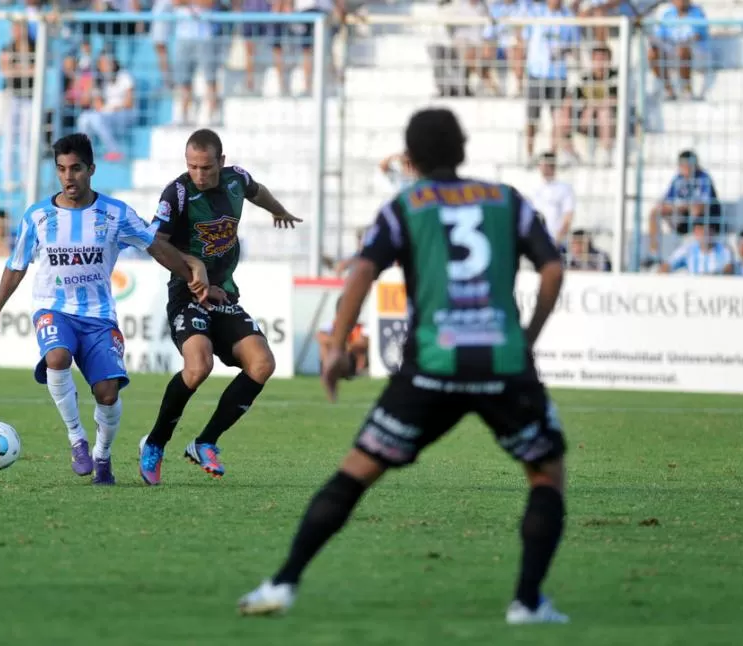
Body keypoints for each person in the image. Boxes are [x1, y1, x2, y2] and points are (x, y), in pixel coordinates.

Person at [238, 108, 570, 625]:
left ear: (411, 157)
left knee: (356, 472)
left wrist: (336, 347)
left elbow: (364, 269)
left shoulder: (404, 206)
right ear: (462, 148)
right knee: (546, 475)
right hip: (504, 366)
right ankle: (528, 602)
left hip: (430, 368)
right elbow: (552, 267)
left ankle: (282, 584)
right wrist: (528, 337)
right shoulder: (508, 200)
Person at [0, 133, 209, 486]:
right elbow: (17, 264)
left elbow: (156, 248)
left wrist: (191, 275)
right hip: (53, 309)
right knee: (56, 358)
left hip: (99, 316)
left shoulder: (115, 214)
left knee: (108, 393)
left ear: (91, 169)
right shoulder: (38, 216)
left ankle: (102, 454)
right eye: (61, 169)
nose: (68, 177)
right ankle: (77, 440)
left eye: (76, 169)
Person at [138, 128, 303, 486]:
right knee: (199, 366)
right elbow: (154, 243)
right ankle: (154, 443)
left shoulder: (236, 180)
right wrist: (193, 270)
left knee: (262, 364)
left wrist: (280, 212)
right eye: (193, 166)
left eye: (207, 168)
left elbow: (257, 192)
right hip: (188, 295)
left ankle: (205, 442)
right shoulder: (177, 193)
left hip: (223, 294)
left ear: (221, 163)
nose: (200, 174)